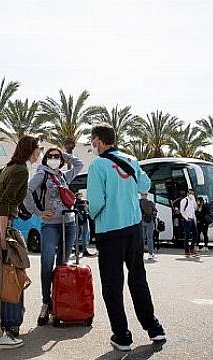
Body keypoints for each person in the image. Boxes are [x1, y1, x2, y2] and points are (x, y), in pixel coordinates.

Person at [87, 124, 165, 352]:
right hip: (134, 229)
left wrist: (91, 212)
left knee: (112, 285)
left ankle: (122, 337)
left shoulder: (98, 165)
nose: (92, 144)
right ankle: (154, 327)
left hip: (110, 230)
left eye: (93, 140)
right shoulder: (131, 159)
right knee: (138, 278)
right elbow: (145, 185)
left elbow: (96, 202)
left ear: (99, 141)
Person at [0, 135, 42, 350]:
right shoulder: (20, 170)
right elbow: (4, 202)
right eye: (39, 149)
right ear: (31, 150)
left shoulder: (9, 167)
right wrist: (3, 237)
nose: (40, 152)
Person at [23, 147, 84, 326]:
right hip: (50, 225)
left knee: (62, 265)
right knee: (47, 263)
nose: (53, 159)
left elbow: (79, 164)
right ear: (45, 159)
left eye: (56, 157)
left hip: (69, 223)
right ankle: (45, 302)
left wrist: (63, 155)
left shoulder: (64, 176)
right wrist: (38, 212)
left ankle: (59, 302)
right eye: (50, 156)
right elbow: (26, 190)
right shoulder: (42, 174)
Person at [75, 193, 96, 257]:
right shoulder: (80, 202)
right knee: (85, 235)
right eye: (81, 195)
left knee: (79, 236)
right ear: (78, 196)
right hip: (83, 221)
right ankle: (84, 251)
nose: (82, 196)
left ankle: (78, 250)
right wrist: (83, 219)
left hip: (79, 221)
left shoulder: (76, 202)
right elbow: (80, 211)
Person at [180, 188, 198, 257]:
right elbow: (182, 211)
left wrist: (195, 220)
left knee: (195, 235)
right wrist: (186, 218)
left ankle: (192, 248)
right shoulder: (184, 200)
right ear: (187, 194)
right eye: (190, 193)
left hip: (192, 219)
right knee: (187, 236)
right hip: (186, 220)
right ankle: (187, 251)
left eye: (192, 193)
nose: (191, 195)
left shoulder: (192, 201)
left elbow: (195, 209)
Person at [139, 193, 157, 260]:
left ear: (141, 195)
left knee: (142, 238)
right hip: (149, 221)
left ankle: (141, 254)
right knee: (149, 238)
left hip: (141, 221)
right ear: (146, 196)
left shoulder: (138, 202)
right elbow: (155, 211)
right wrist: (152, 217)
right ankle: (150, 254)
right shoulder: (150, 203)